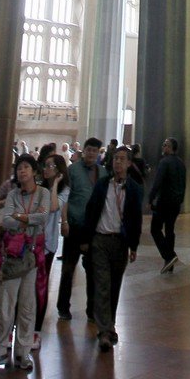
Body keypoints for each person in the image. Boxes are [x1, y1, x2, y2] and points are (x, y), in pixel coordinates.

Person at [0, 155, 48, 373]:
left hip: (31, 257)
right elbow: (7, 221)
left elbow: (42, 219)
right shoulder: (12, 194)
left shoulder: (43, 193)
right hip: (12, 255)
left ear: (34, 171)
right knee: (5, 305)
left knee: (27, 306)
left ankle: (23, 352)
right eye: (19, 168)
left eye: (26, 168)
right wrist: (26, 218)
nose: (22, 172)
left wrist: (19, 217)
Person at [82, 144, 143, 352]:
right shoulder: (102, 185)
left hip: (120, 242)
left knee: (115, 285)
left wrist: (133, 245)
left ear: (129, 163)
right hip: (100, 239)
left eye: (122, 159)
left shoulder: (134, 189)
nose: (118, 162)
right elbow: (91, 211)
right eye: (115, 158)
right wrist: (86, 239)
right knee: (102, 284)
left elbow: (136, 219)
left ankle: (110, 324)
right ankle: (104, 331)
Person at [56, 137, 104, 321]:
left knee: (93, 270)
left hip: (93, 229)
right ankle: (63, 307)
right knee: (68, 268)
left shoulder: (103, 172)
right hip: (75, 226)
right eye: (89, 149)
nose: (91, 153)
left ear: (98, 152)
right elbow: (65, 197)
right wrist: (65, 221)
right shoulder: (72, 171)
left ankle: (92, 310)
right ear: (83, 150)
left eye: (95, 150)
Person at [35, 153, 68, 340]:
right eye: (45, 166)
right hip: (32, 241)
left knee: (42, 284)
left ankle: (37, 329)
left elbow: (54, 207)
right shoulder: (37, 187)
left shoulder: (64, 190)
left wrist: (55, 185)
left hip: (48, 244)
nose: (46, 169)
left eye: (50, 166)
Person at [148, 138, 186, 274]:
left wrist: (150, 198)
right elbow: (183, 183)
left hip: (164, 202)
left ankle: (169, 256)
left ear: (170, 148)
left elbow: (157, 183)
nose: (162, 146)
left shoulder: (164, 162)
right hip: (175, 203)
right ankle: (169, 263)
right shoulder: (181, 163)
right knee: (170, 230)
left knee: (155, 229)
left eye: (165, 145)